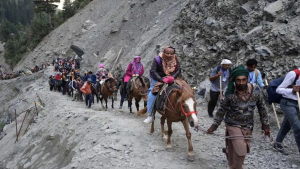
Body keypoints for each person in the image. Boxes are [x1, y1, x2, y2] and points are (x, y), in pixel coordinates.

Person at [207, 65, 270, 169]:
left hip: (248, 126)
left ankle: (228, 151)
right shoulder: (230, 92)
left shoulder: (256, 91)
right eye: (238, 80)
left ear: (247, 79)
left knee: (243, 148)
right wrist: (214, 126)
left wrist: (266, 125)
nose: (241, 83)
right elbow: (221, 110)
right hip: (232, 125)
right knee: (241, 151)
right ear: (234, 80)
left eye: (243, 80)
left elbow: (262, 109)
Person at [143, 46, 181, 123]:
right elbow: (153, 71)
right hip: (159, 78)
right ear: (164, 53)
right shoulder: (157, 59)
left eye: (171, 53)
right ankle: (150, 114)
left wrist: (172, 77)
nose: (169, 55)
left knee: (183, 89)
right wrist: (162, 79)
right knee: (152, 94)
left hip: (172, 77)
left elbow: (179, 69)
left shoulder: (175, 59)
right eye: (167, 53)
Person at [274, 68, 300, 155]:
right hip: (288, 103)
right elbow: (279, 89)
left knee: (287, 125)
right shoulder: (294, 74)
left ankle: (277, 143)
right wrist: (292, 90)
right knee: (298, 128)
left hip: (298, 103)